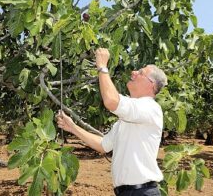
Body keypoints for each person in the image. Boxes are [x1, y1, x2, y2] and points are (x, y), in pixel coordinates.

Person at [56, 48, 167, 196]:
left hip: (142, 192)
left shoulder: (150, 108)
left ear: (152, 85)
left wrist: (102, 66)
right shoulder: (127, 119)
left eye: (141, 73)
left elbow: (111, 101)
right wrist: (73, 127)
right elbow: (103, 145)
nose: (134, 72)